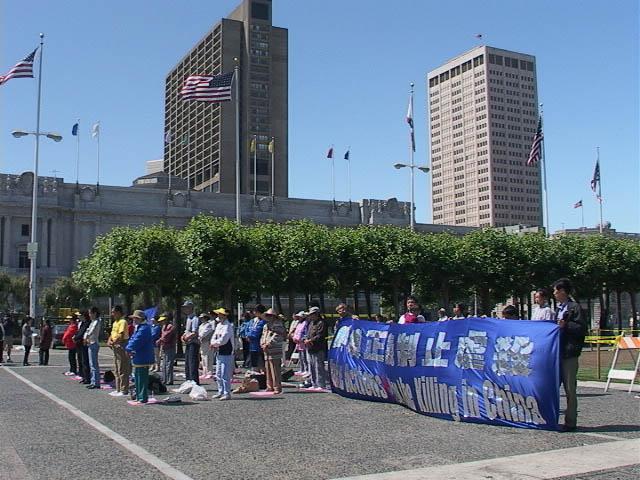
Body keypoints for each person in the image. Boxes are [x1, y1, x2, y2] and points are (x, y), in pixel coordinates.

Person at [553, 278, 588, 432]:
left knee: (569, 388)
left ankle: (571, 421)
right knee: (553, 386)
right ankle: (552, 417)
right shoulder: (559, 309)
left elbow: (581, 328)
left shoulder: (575, 307)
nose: (554, 293)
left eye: (556, 290)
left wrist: (566, 325)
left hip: (570, 352)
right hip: (557, 352)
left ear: (562, 291)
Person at [125, 310, 154, 404]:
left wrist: (129, 348)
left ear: (141, 319)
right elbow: (133, 338)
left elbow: (138, 340)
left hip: (143, 356)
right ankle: (138, 396)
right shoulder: (139, 328)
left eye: (136, 318)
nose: (134, 320)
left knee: (142, 378)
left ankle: (142, 397)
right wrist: (129, 347)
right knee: (137, 377)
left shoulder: (144, 329)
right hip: (138, 356)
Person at [209, 308, 234, 400]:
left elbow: (224, 339)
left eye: (220, 314)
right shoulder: (219, 325)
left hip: (226, 352)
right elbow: (214, 336)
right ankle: (220, 391)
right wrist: (213, 343)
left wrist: (215, 344)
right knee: (218, 373)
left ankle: (227, 393)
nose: (218, 316)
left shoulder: (228, 326)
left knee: (225, 373)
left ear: (225, 316)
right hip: (219, 351)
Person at [107, 305, 131, 397]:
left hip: (121, 345)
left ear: (118, 312)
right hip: (115, 346)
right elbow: (112, 334)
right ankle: (118, 389)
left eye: (114, 312)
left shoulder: (122, 322)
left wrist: (115, 342)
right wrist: (109, 340)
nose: (112, 314)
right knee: (116, 368)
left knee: (123, 368)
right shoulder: (115, 322)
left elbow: (121, 335)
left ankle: (124, 390)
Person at [260, 308, 286, 394]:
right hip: (266, 349)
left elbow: (277, 336)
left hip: (274, 348)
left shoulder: (278, 325)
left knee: (275, 369)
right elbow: (263, 335)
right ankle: (269, 386)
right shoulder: (266, 325)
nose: (268, 317)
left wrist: (268, 344)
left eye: (270, 315)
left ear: (274, 316)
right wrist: (262, 343)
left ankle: (277, 387)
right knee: (267, 368)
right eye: (267, 315)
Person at [304, 306, 328, 390]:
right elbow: (308, 333)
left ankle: (321, 384)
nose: (310, 316)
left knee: (319, 367)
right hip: (310, 348)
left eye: (311, 314)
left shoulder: (321, 323)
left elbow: (320, 335)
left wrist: (310, 340)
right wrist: (306, 340)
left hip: (318, 348)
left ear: (316, 314)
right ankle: (314, 383)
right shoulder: (311, 323)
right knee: (312, 367)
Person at [181, 300, 200, 384]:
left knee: (192, 363)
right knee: (187, 363)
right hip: (188, 343)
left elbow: (195, 332)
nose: (185, 309)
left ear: (191, 308)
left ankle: (194, 381)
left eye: (186, 308)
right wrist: (183, 336)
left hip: (193, 343)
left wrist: (187, 337)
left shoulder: (195, 319)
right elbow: (187, 331)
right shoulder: (188, 318)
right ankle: (188, 380)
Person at [84, 306, 102, 389]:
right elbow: (87, 330)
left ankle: (96, 382)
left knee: (94, 364)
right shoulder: (92, 322)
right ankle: (93, 381)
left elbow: (91, 331)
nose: (89, 315)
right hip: (90, 343)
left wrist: (86, 337)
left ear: (94, 313)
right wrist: (85, 337)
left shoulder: (96, 321)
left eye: (90, 313)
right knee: (91, 364)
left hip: (94, 343)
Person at [156, 313, 177, 385]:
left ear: (167, 319)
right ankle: (164, 379)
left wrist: (159, 340)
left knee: (168, 364)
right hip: (164, 347)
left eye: (163, 320)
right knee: (164, 364)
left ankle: (169, 380)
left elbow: (166, 336)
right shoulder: (163, 327)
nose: (162, 322)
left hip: (170, 347)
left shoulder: (171, 327)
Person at [246, 304, 267, 374]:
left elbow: (256, 332)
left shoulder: (263, 321)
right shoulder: (253, 320)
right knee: (254, 364)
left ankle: (263, 377)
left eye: (255, 311)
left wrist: (249, 335)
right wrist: (247, 335)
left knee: (261, 364)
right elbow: (248, 328)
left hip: (259, 345)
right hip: (252, 345)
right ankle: (256, 376)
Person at [74, 312, 91, 384]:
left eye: (80, 315)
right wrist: (75, 337)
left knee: (85, 361)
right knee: (81, 360)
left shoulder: (87, 323)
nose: (79, 317)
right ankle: (83, 375)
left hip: (84, 344)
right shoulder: (82, 323)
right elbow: (79, 331)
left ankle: (87, 377)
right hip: (79, 343)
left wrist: (76, 338)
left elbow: (82, 332)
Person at [198, 312, 215, 379]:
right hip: (202, 342)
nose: (201, 319)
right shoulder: (201, 325)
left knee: (208, 357)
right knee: (203, 357)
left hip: (207, 342)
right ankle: (204, 372)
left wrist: (199, 336)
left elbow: (204, 334)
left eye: (203, 318)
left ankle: (209, 372)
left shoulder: (208, 325)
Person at [292, 311, 310, 377]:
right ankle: (302, 369)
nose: (299, 318)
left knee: (305, 357)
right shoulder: (299, 323)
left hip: (303, 342)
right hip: (298, 342)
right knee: (301, 357)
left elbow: (305, 332)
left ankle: (306, 369)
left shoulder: (305, 323)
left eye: (300, 317)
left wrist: (302, 339)